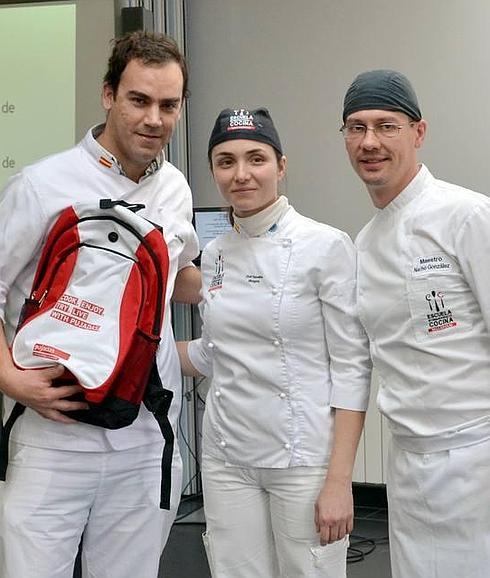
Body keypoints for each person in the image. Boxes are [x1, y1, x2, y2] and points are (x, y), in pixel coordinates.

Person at [0, 31, 200, 578]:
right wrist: (9, 379)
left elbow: (181, 276)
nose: (154, 119)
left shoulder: (176, 189)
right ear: (109, 94)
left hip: (144, 435)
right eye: (139, 100)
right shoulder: (40, 185)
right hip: (53, 434)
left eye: (168, 105)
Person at [177, 107, 371, 578]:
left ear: (281, 166)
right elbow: (213, 352)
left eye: (256, 158)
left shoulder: (325, 246)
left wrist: (339, 481)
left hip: (302, 458)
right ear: (213, 172)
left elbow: (352, 366)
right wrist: (128, 356)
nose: (241, 174)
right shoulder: (217, 253)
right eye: (225, 162)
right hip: (226, 454)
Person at [341, 69, 490, 578]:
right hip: (408, 464)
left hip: (477, 455)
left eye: (386, 125)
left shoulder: (467, 217)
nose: (370, 142)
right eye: (356, 128)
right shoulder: (361, 246)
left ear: (418, 132)